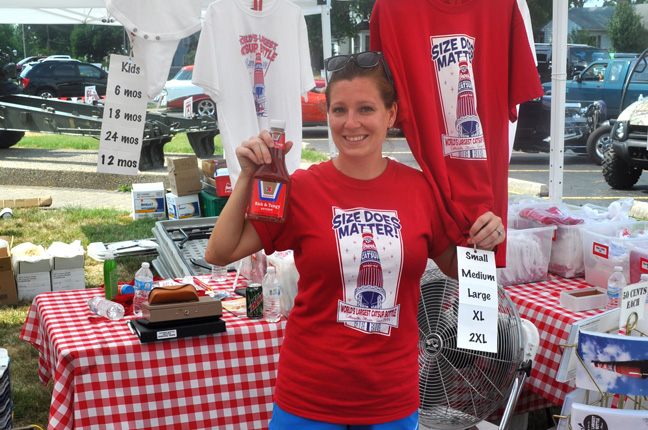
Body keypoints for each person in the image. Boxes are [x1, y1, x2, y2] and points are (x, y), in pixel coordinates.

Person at [205, 51, 506, 429]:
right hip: (308, 398)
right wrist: (247, 176)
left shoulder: (420, 189)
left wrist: (485, 239)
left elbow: (456, 266)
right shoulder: (301, 188)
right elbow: (220, 251)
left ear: (391, 114)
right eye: (338, 110)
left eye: (366, 109)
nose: (350, 123)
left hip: (391, 400)